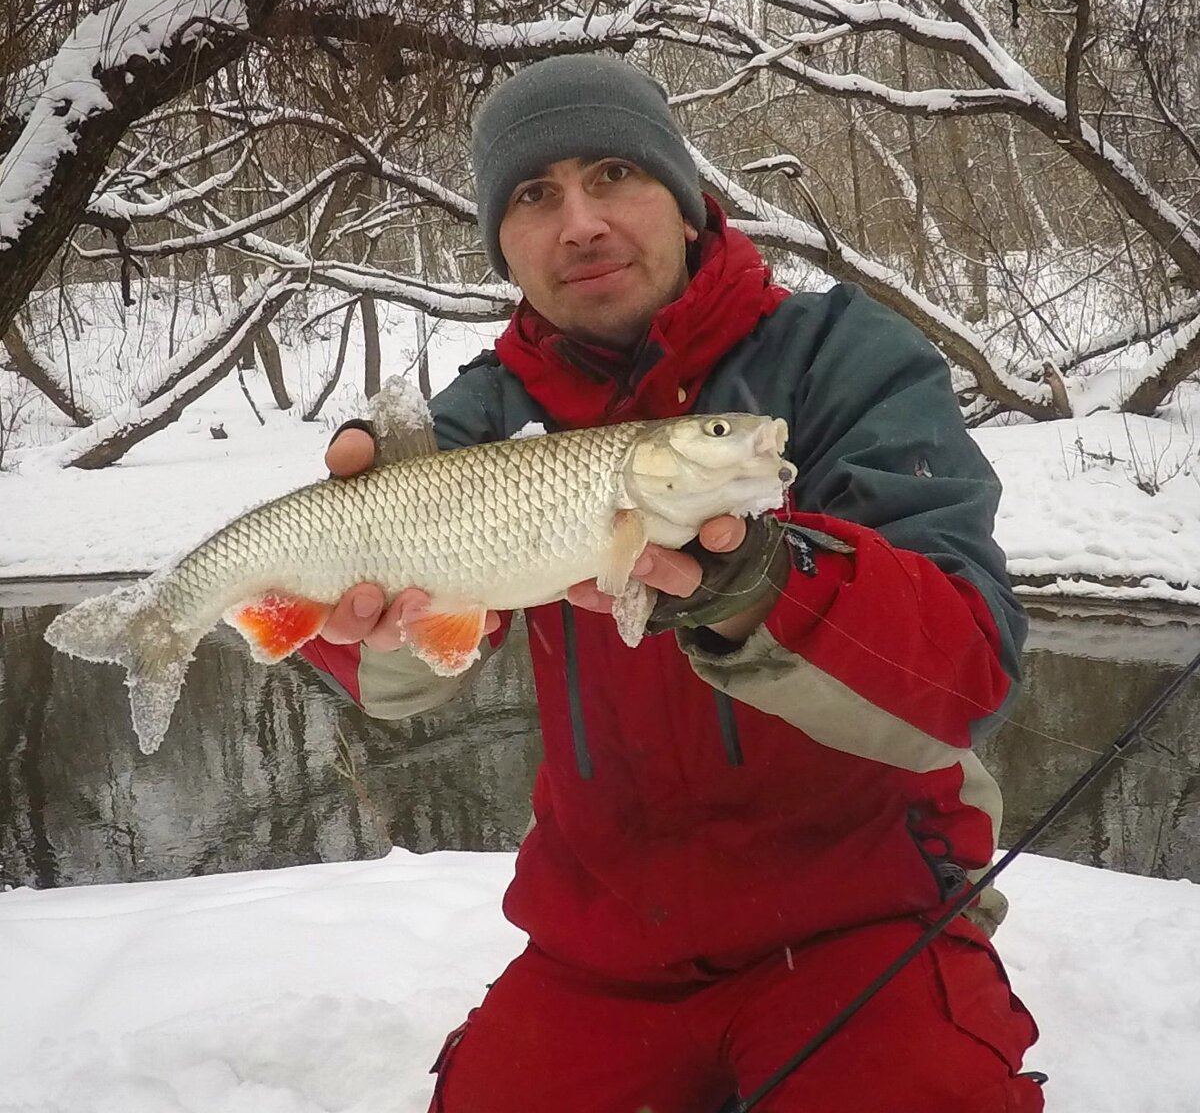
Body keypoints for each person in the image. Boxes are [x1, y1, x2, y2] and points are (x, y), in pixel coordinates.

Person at [300, 55, 1044, 1112]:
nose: (580, 223)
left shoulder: (844, 359)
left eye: (615, 174)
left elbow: (966, 676)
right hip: (605, 947)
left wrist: (759, 582)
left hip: (863, 916)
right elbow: (393, 685)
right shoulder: (476, 419)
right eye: (534, 195)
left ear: (690, 204)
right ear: (503, 244)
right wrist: (362, 618)